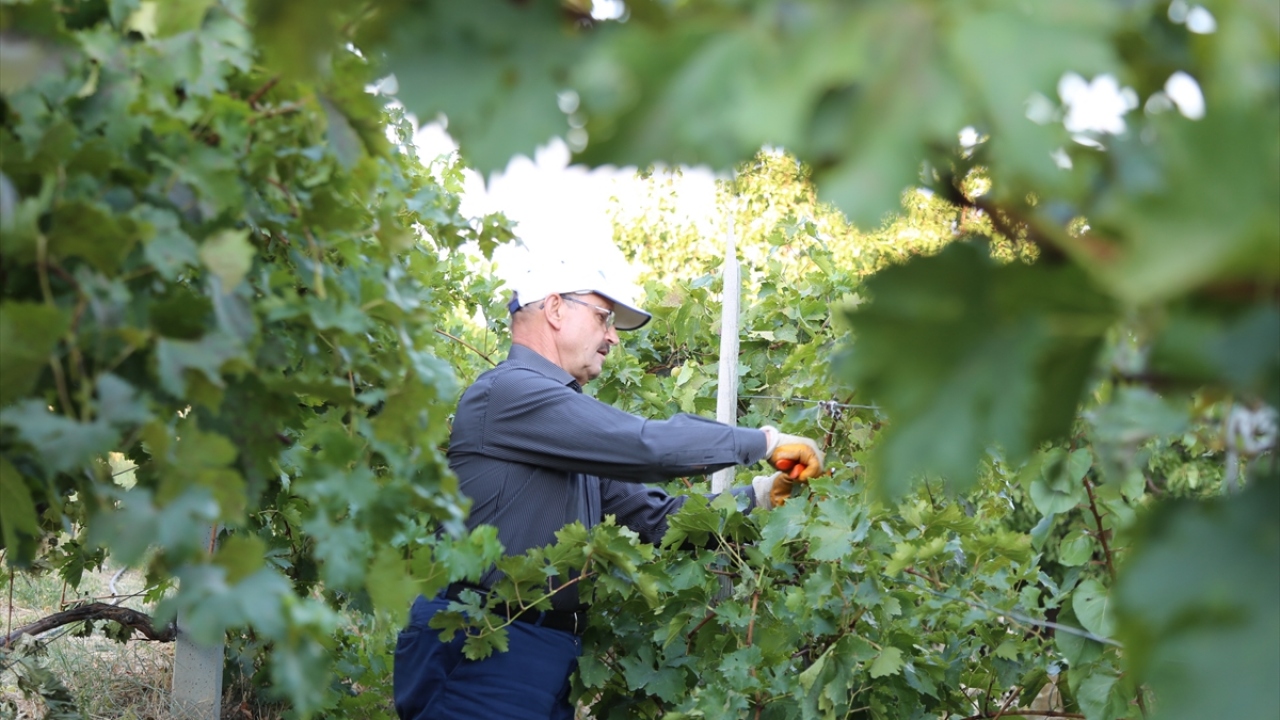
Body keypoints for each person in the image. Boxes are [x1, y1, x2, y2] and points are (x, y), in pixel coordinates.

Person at [393, 258, 825, 720]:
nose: (613, 336)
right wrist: (765, 441)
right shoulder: (509, 392)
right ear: (556, 309)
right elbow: (645, 445)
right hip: (483, 649)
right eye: (604, 318)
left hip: (541, 651)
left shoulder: (558, 424)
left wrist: (759, 495)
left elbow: (653, 518)